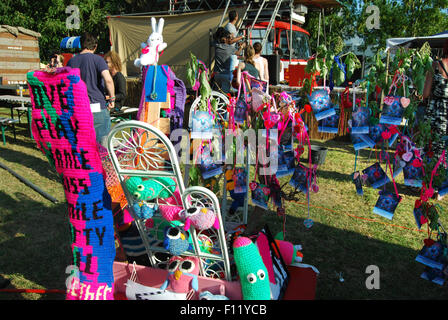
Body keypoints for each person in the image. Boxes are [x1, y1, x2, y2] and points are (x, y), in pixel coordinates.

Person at [67, 32, 115, 146]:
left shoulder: (71, 62)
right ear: (95, 46)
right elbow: (108, 80)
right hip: (97, 106)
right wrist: (112, 98)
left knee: (82, 143)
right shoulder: (99, 60)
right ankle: (102, 163)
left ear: (81, 45)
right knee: (102, 143)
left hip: (78, 107)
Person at [423, 40, 448, 161]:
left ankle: (432, 176)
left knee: (432, 148)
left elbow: (426, 94)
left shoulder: (436, 65)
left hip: (437, 113)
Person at [213, 27, 245, 93]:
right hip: (225, 76)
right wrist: (241, 47)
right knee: (225, 94)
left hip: (216, 75)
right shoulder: (230, 48)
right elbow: (238, 53)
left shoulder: (216, 46)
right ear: (226, 39)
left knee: (217, 94)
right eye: (229, 38)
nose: (231, 39)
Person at [224, 10, 244, 81]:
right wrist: (241, 37)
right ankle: (230, 86)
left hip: (232, 52)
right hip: (231, 53)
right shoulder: (229, 26)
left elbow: (234, 39)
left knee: (232, 70)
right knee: (231, 71)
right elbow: (231, 41)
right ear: (236, 17)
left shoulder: (232, 26)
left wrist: (238, 42)